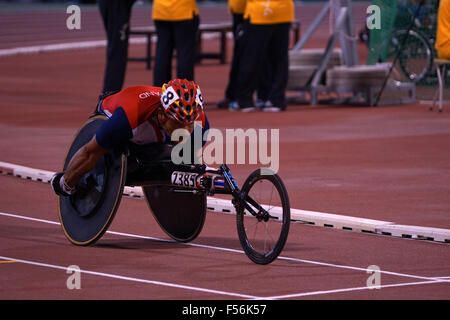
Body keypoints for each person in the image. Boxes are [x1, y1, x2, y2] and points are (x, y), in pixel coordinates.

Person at [51, 79, 209, 197]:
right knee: (114, 150)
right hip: (119, 118)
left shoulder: (200, 123)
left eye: (190, 124)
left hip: (152, 133)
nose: (186, 132)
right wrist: (64, 184)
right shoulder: (129, 116)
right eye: (178, 125)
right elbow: (90, 152)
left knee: (182, 158)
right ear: (162, 115)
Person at [234, 0, 294, 112]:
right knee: (280, 58)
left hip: (258, 13)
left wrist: (237, 13)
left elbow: (237, 3)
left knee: (251, 57)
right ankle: (276, 99)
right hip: (283, 12)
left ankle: (245, 100)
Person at [152, 0, 200, 87]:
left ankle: (159, 92)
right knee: (184, 56)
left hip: (160, 11)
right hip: (184, 11)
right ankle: (185, 93)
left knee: (162, 54)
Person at [98, 0, 137, 95]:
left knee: (116, 47)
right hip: (117, 4)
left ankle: (110, 93)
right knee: (118, 49)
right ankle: (110, 94)